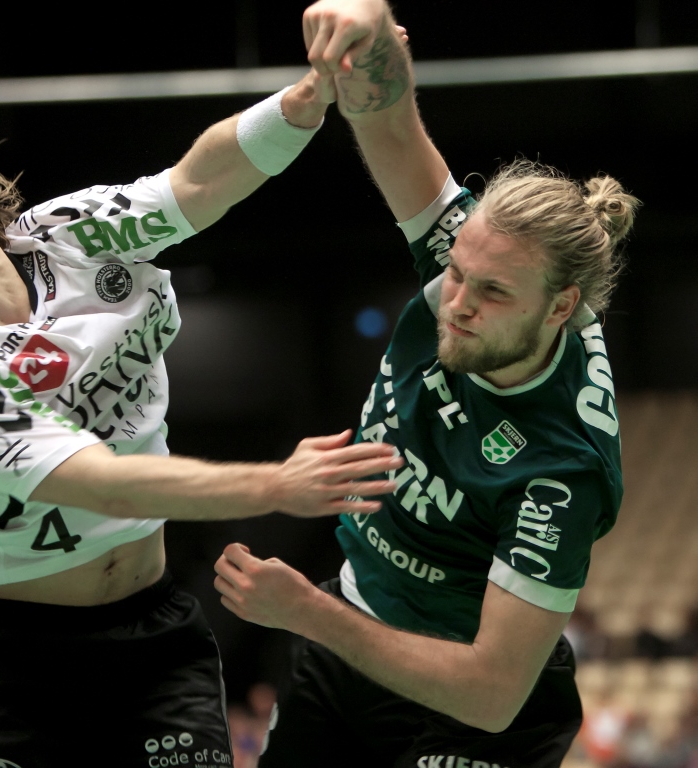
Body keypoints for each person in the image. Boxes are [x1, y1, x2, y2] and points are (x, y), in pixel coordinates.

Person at [0, 69, 404, 768]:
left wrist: (307, 98)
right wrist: (274, 485)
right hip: (13, 663)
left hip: (155, 639)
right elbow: (104, 486)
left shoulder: (71, 234)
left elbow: (197, 183)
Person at [213, 1, 642, 766]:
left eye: (491, 293)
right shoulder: (476, 256)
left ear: (560, 308)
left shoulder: (559, 471)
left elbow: (490, 691)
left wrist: (305, 610)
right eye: (457, 273)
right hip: (353, 637)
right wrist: (371, 34)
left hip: (468, 702)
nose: (457, 303)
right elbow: (387, 123)